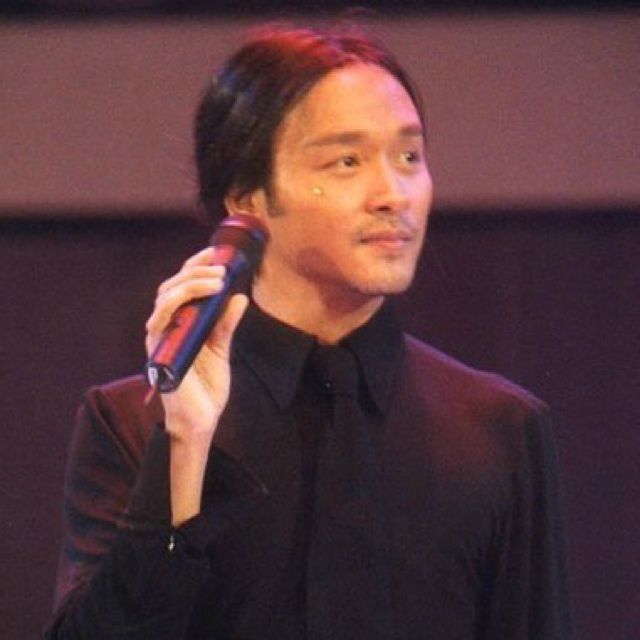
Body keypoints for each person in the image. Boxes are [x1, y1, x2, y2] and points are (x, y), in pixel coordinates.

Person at [45, 24, 570, 640]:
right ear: (248, 199)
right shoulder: (132, 423)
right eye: (347, 162)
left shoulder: (498, 431)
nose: (393, 195)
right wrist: (183, 447)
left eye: (408, 157)